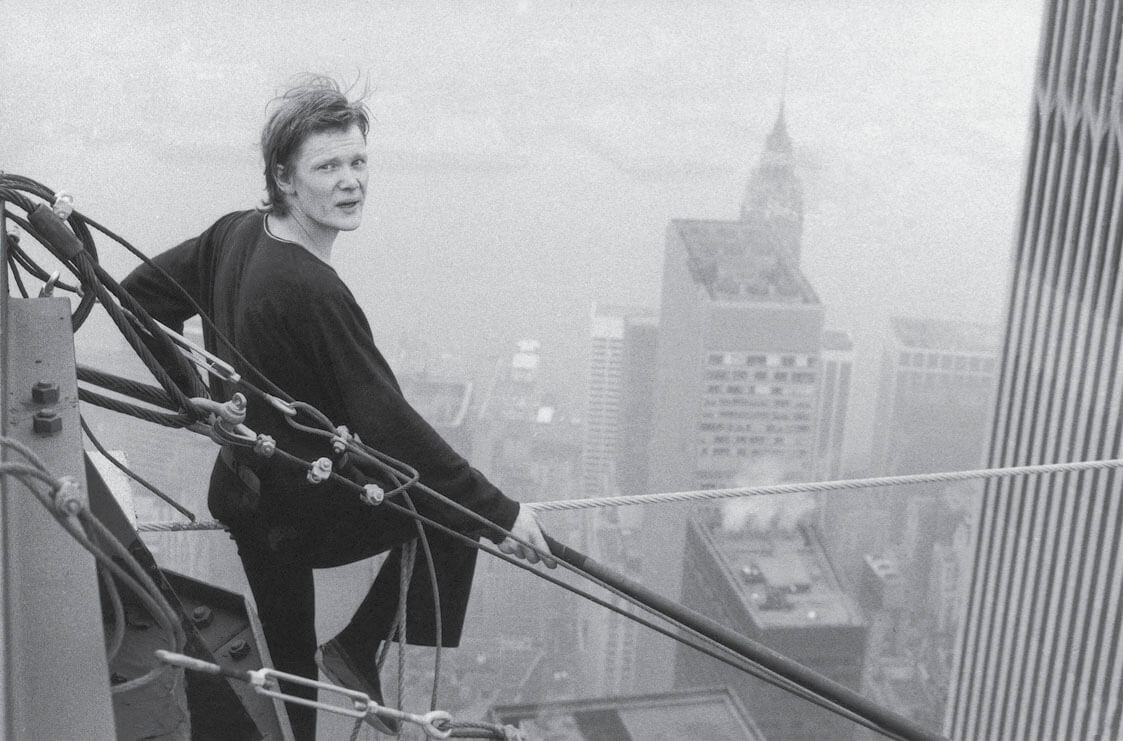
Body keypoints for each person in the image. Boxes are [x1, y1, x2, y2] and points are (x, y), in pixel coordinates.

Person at [121, 75, 553, 739]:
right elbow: (390, 426)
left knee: (290, 666)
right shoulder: (311, 290)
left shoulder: (239, 232)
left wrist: (194, 394)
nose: (351, 181)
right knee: (449, 510)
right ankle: (357, 645)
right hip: (299, 507)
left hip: (246, 494)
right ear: (286, 179)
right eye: (328, 166)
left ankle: (327, 682)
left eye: (358, 162)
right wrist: (503, 513)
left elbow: (140, 297)